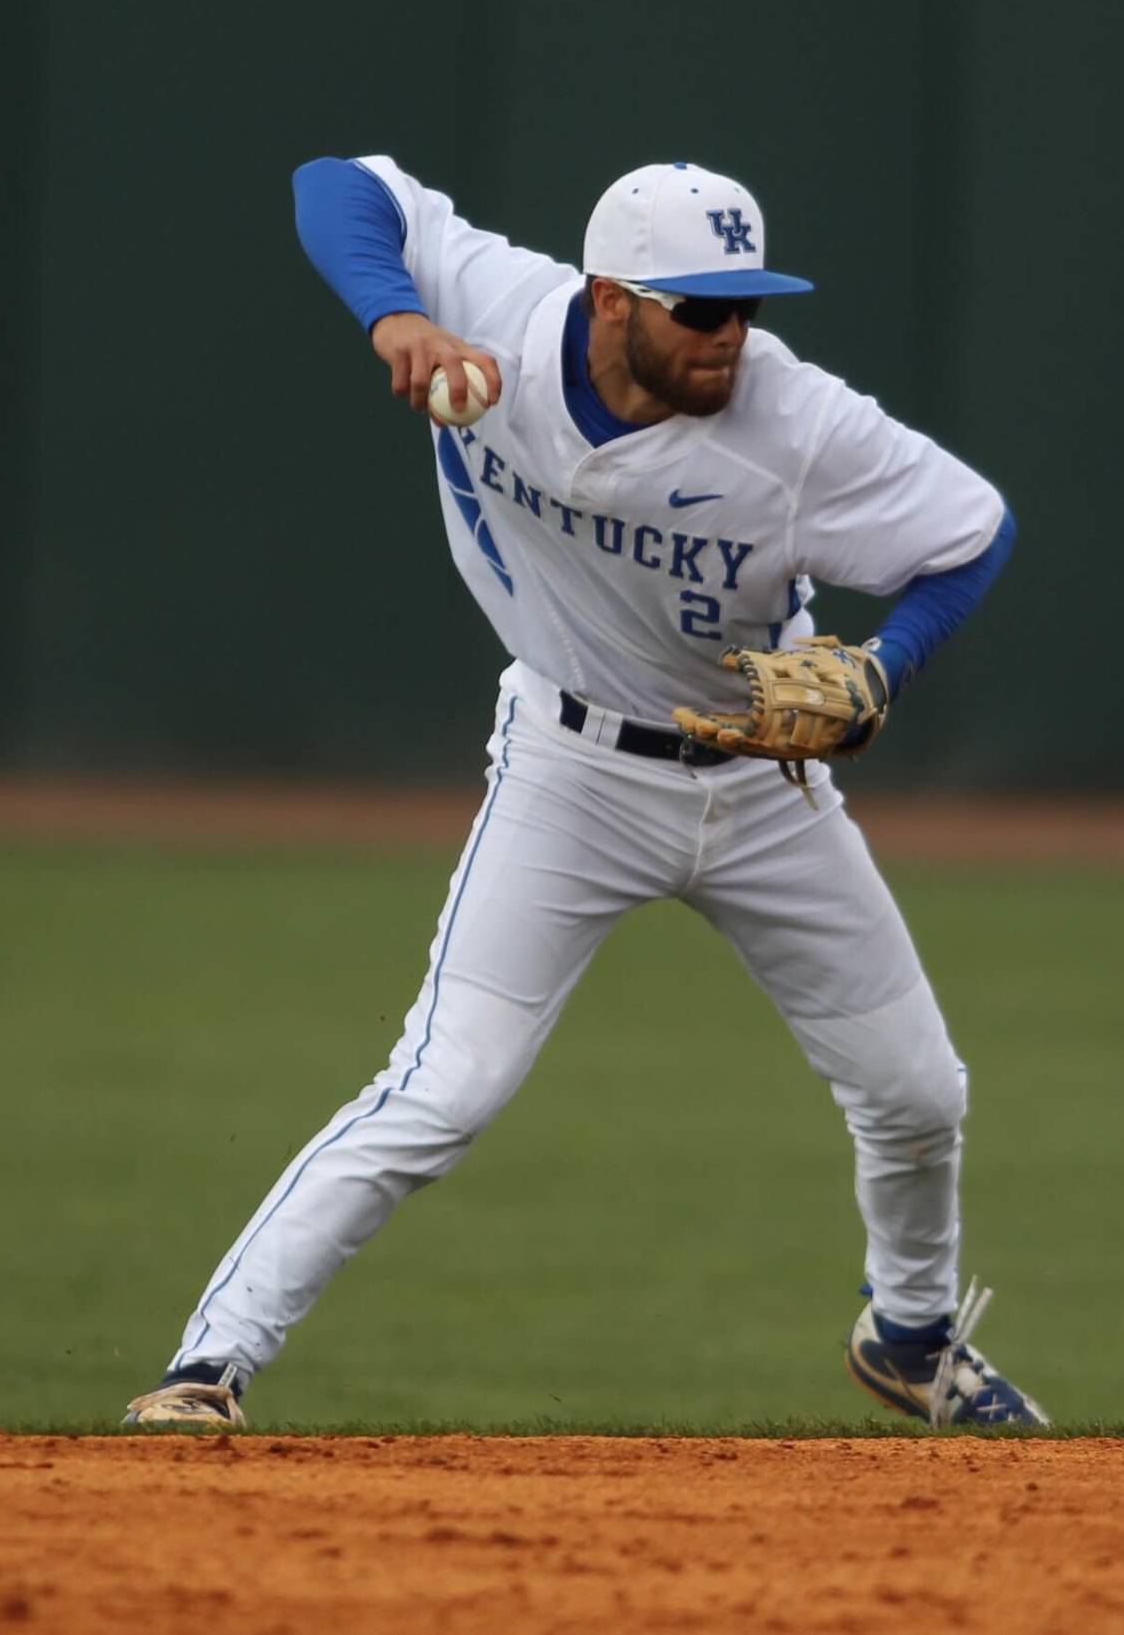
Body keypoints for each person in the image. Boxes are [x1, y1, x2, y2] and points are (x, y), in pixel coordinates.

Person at [123, 155, 1040, 1430]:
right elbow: (340, 182)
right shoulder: (498, 309)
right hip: (570, 774)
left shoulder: (800, 423)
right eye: (699, 309)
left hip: (762, 786)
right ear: (613, 298)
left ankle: (912, 1338)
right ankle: (208, 1367)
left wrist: (886, 663)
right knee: (445, 1088)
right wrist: (396, 315)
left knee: (918, 1094)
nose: (730, 337)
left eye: (748, 308)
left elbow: (971, 530)